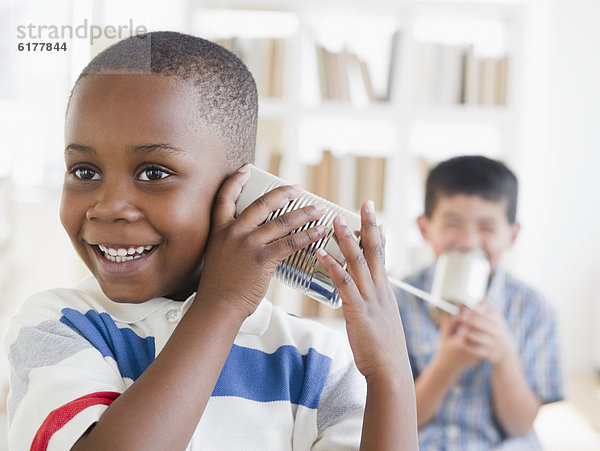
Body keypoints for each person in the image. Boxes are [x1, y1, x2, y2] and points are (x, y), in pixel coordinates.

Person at [4, 31, 417, 450]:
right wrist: (221, 306)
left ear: (243, 190)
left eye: (153, 173)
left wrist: (390, 374)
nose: (108, 207)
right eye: (85, 171)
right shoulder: (57, 325)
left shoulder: (316, 362)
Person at [395, 155, 564, 450]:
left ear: (512, 235)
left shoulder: (536, 310)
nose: (469, 242)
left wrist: (504, 355)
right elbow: (393, 422)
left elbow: (520, 425)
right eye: (452, 224)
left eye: (487, 227)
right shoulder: (398, 301)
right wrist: (445, 366)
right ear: (425, 228)